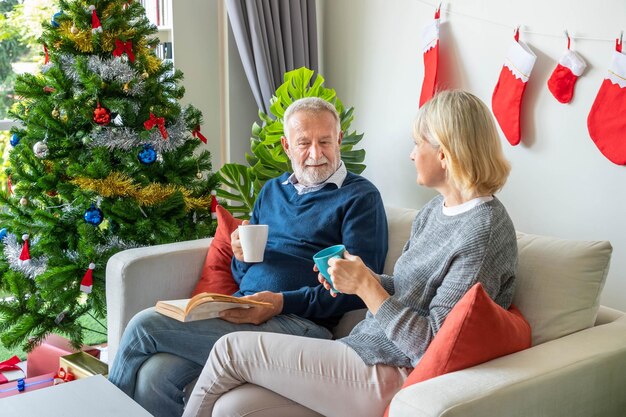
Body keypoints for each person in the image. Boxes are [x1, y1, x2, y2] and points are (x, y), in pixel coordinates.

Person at [181, 90, 519, 417]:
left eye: (418, 144)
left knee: (230, 349)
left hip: (393, 371)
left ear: (444, 153)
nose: (412, 155)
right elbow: (407, 288)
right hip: (361, 348)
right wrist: (362, 279)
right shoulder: (435, 210)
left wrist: (367, 288)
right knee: (232, 408)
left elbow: (431, 346)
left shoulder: (483, 231)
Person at [107, 97, 389, 417]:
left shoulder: (360, 197)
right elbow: (246, 273)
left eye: (325, 141)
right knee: (155, 375)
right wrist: (241, 257)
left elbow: (363, 289)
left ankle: (101, 410)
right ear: (286, 145)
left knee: (145, 325)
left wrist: (280, 302)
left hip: (300, 325)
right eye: (304, 143)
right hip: (241, 309)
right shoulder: (271, 191)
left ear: (338, 140)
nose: (315, 153)